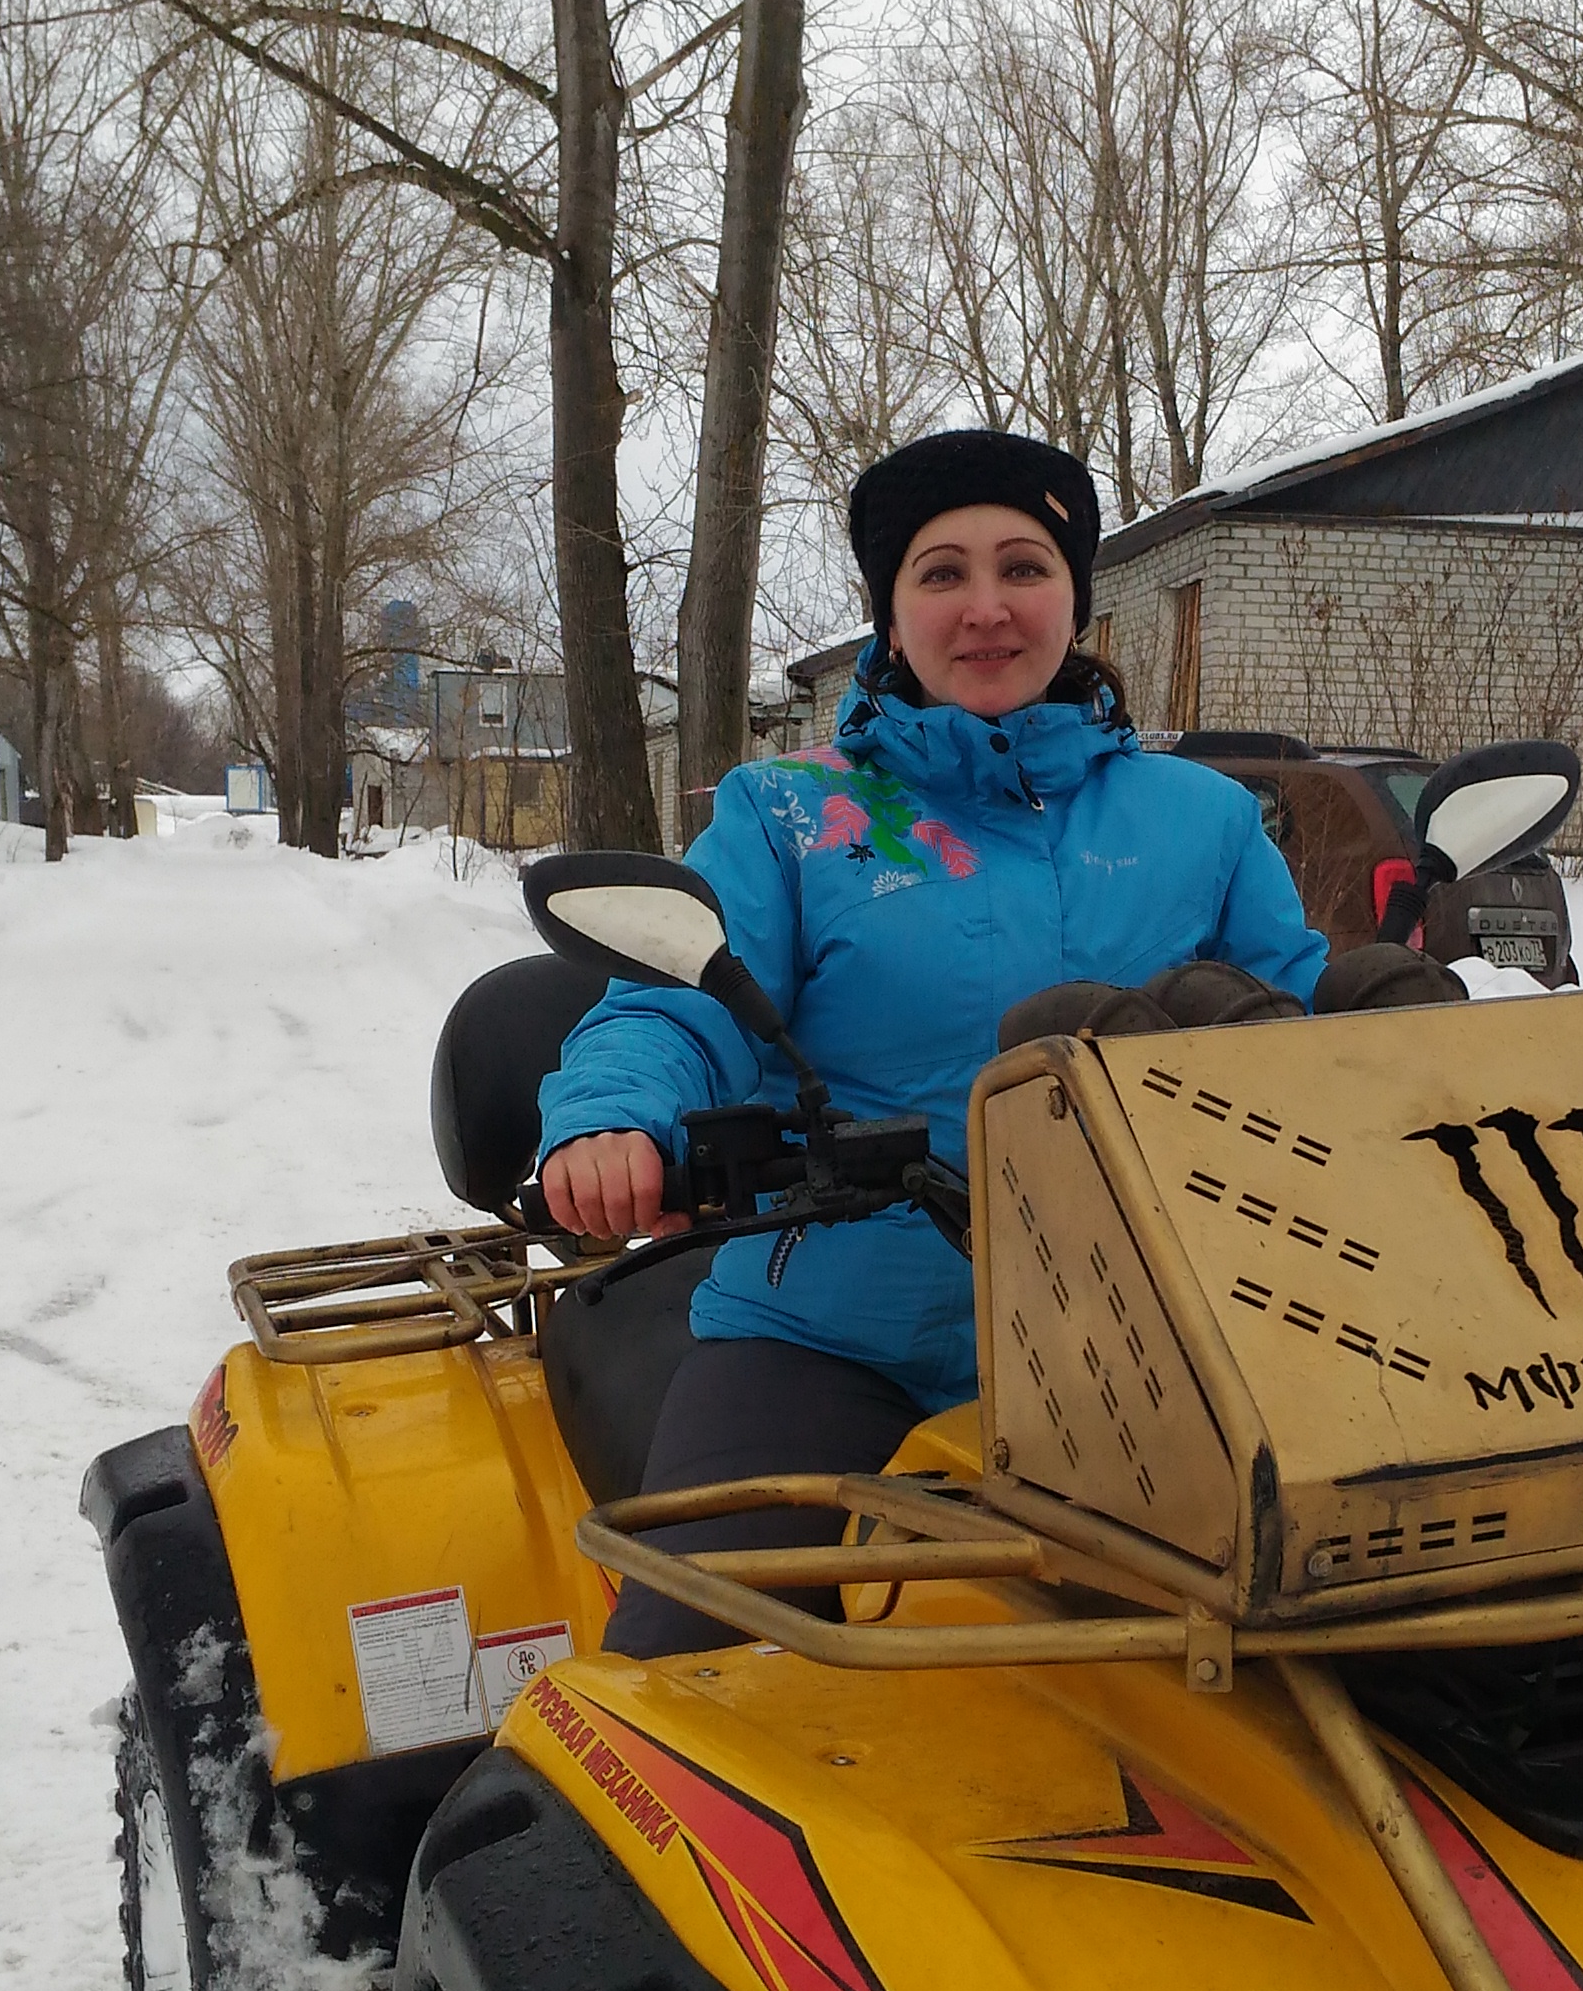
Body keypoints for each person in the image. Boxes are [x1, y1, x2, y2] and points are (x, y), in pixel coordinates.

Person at [536, 425, 1328, 1652]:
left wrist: (1408, 1068)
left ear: (1075, 600)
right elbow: (679, 998)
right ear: (892, 616)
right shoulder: (793, 815)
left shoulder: (1206, 820)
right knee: (686, 1666)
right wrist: (612, 1118)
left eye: (1025, 567)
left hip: (1155, 1344)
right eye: (942, 572)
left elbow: (1296, 1029)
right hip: (835, 1339)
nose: (987, 607)